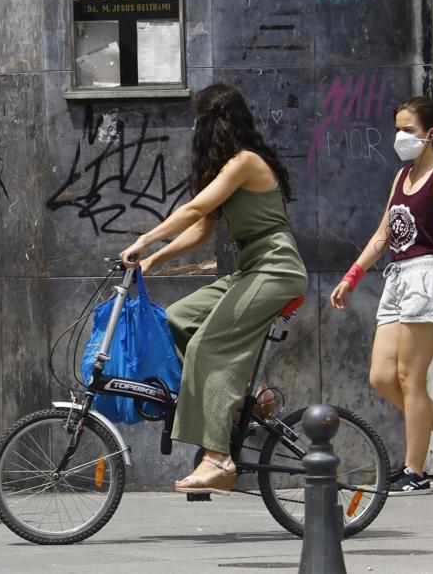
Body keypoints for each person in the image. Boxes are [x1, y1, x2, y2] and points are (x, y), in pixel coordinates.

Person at [119, 84, 308, 494]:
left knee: (208, 346)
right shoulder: (233, 167)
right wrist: (154, 261)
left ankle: (217, 458)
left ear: (214, 123)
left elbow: (194, 209)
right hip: (251, 269)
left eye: (199, 122)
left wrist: (143, 240)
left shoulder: (244, 162)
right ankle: (249, 395)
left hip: (275, 268)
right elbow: (204, 227)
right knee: (176, 319)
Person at [329, 96, 433, 495]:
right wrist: (352, 276)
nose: (400, 136)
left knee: (410, 379)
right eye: (397, 128)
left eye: (408, 129)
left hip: (430, 278)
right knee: (382, 377)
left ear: (430, 134)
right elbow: (384, 234)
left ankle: (414, 471)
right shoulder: (402, 177)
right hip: (398, 278)